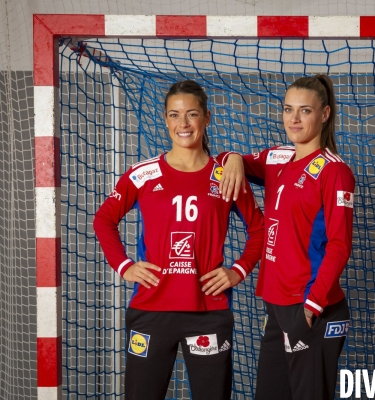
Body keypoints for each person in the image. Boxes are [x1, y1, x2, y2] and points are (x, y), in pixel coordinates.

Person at [93, 80, 264, 400]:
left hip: (208, 310)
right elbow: (103, 219)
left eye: (192, 114)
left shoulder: (225, 175)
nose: (183, 124)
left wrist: (237, 271)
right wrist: (124, 265)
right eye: (174, 115)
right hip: (151, 309)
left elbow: (260, 229)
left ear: (207, 118)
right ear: (165, 119)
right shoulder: (142, 174)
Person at [217, 74, 355, 400]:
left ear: (324, 114)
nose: (293, 119)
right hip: (277, 305)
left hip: (309, 307)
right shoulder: (277, 158)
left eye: (304, 111)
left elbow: (339, 245)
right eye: (288, 109)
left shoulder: (334, 171)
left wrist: (312, 304)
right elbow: (228, 161)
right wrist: (234, 158)